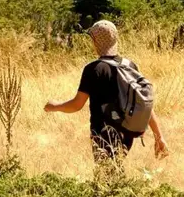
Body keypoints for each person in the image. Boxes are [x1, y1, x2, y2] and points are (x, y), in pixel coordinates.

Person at [44, 20, 168, 164]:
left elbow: (77, 104)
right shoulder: (129, 65)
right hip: (127, 132)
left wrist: (54, 106)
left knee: (106, 177)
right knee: (115, 170)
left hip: (103, 134)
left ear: (95, 41)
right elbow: (144, 102)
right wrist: (159, 136)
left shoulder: (94, 69)